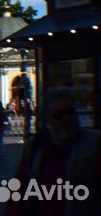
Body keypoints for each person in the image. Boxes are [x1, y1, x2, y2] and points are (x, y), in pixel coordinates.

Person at [6, 87, 101, 215]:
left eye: (70, 112)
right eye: (59, 115)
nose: (66, 118)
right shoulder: (35, 148)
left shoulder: (94, 143)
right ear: (48, 120)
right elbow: (18, 192)